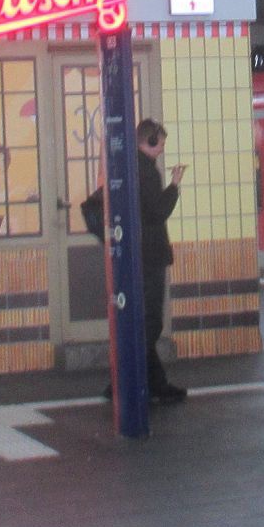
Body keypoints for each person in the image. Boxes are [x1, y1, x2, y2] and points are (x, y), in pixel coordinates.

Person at [80, 119, 187, 405]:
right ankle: (124, 381)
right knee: (150, 323)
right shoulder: (147, 172)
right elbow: (157, 212)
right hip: (149, 255)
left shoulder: (128, 166)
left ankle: (152, 382)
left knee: (142, 322)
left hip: (136, 253)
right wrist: (174, 186)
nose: (162, 148)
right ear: (149, 141)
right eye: (160, 143)